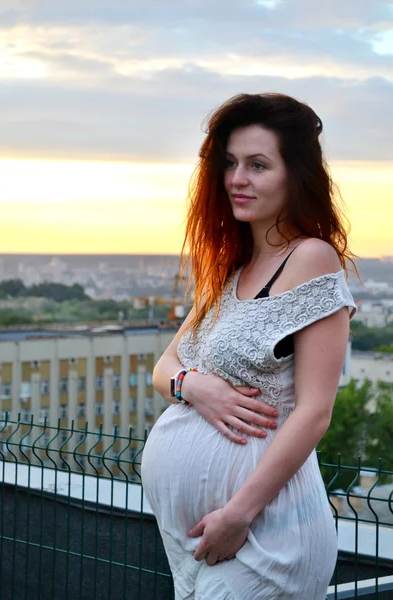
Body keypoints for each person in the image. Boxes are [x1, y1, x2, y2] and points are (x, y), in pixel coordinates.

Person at [141, 93, 357, 600]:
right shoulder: (230, 270)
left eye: (258, 165)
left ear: (294, 175)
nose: (238, 178)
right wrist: (196, 388)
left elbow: (314, 412)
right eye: (231, 163)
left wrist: (238, 515)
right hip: (197, 540)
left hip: (266, 533)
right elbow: (163, 368)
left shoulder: (310, 257)